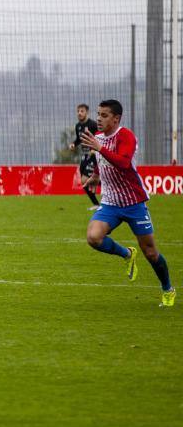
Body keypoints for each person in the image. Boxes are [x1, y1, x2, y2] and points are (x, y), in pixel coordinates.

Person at [80, 99, 175, 307]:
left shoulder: (126, 136)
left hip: (134, 202)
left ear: (116, 119)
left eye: (104, 115)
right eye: (98, 114)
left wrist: (100, 148)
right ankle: (126, 253)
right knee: (93, 237)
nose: (99, 118)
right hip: (110, 203)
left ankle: (168, 288)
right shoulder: (97, 138)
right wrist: (96, 176)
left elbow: (123, 163)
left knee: (150, 252)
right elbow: (100, 162)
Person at [68, 103, 100, 209]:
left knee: (84, 180)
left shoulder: (93, 124)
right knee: (84, 182)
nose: (79, 113)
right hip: (84, 156)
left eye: (82, 111)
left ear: (87, 112)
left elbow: (99, 137)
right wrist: (74, 144)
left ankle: (108, 186)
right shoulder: (78, 126)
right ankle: (96, 204)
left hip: (93, 156)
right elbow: (79, 139)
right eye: (78, 111)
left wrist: (94, 149)